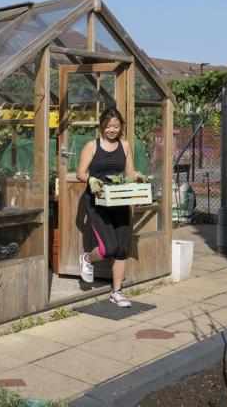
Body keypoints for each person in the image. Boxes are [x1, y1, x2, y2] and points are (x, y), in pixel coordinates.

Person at [76, 107, 143, 308]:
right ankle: (87, 258)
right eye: (109, 126)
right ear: (102, 126)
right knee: (108, 247)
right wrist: (91, 180)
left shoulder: (125, 145)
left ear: (120, 126)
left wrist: (136, 176)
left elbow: (129, 170)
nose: (112, 130)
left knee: (122, 248)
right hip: (97, 202)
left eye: (116, 126)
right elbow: (80, 172)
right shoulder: (92, 146)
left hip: (118, 200)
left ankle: (117, 292)